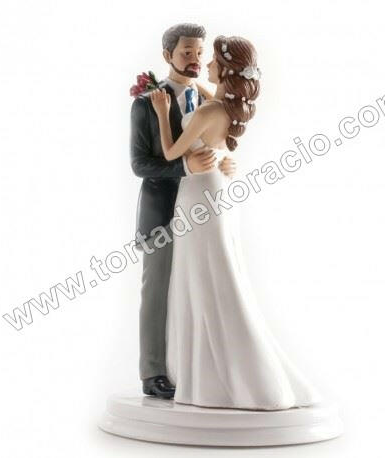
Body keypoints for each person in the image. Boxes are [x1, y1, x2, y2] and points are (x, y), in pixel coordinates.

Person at [150, 35, 322, 410]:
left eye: (212, 61)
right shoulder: (228, 108)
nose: (207, 65)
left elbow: (171, 152)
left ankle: (218, 374)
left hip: (199, 194)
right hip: (221, 190)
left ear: (226, 71)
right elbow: (219, 142)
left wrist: (163, 114)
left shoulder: (208, 112)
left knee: (205, 276)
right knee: (218, 271)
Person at [130, 23, 236, 399]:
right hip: (163, 212)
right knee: (158, 290)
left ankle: (188, 367)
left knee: (196, 289)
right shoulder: (147, 103)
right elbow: (140, 165)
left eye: (199, 52)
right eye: (187, 52)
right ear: (168, 55)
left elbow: (213, 143)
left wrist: (222, 162)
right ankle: (153, 371)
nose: (195, 59)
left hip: (200, 213)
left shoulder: (205, 97)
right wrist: (185, 168)